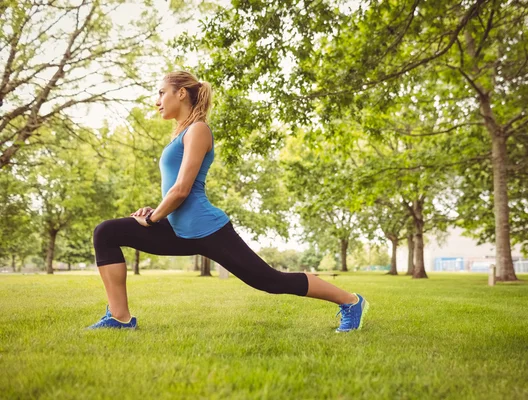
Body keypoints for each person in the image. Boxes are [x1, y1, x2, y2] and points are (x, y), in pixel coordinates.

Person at [88, 71, 369, 332]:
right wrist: (157, 210)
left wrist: (152, 219)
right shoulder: (180, 134)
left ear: (182, 93)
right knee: (107, 232)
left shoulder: (198, 130)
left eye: (162, 93)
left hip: (208, 229)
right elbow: (174, 190)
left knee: (270, 281)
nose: (157, 101)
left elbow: (183, 189)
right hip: (177, 229)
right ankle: (119, 317)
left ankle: (351, 301)